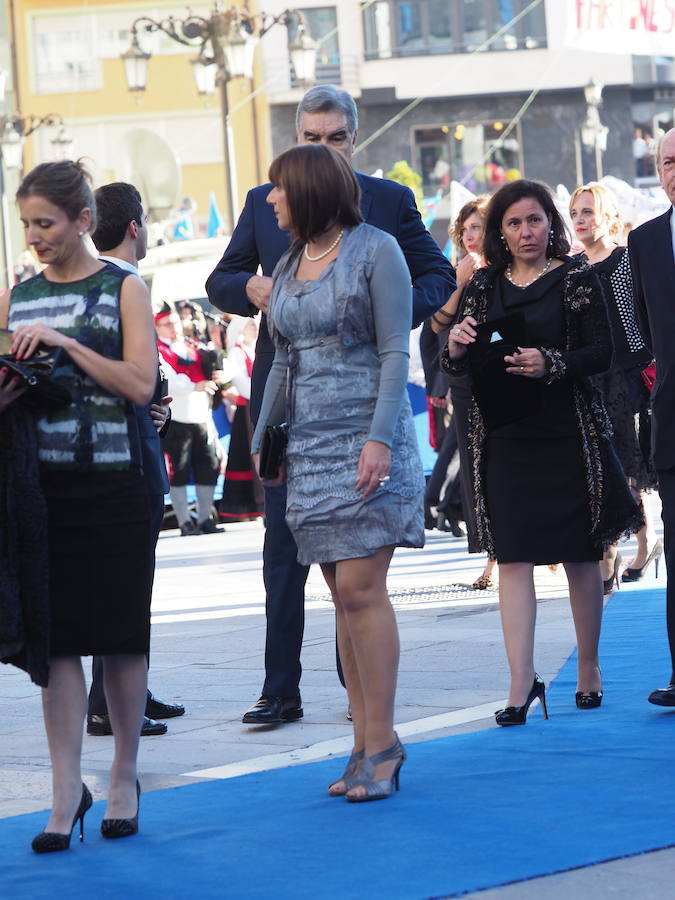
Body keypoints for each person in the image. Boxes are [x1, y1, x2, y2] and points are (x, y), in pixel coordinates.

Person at [206, 84, 454, 726]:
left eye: (333, 137)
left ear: (354, 137)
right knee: (284, 551)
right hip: (288, 402)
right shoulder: (268, 202)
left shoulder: (388, 207)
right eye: (309, 138)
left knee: (356, 578)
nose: (322, 148)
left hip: (364, 404)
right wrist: (255, 286)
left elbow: (439, 278)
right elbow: (221, 281)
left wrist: (381, 317)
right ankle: (279, 687)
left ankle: (364, 701)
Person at [252, 143, 424, 800]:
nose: (270, 200)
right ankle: (363, 744)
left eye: (279, 189)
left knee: (360, 591)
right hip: (308, 450)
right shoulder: (290, 261)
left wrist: (379, 440)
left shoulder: (376, 250)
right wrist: (264, 442)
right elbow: (284, 362)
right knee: (340, 599)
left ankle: (380, 742)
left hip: (366, 441)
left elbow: (390, 354)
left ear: (309, 191)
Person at [2, 160, 157, 850]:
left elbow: (139, 382)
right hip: (41, 493)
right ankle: (67, 788)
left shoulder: (125, 287)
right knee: (55, 644)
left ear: (83, 221)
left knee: (121, 637)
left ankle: (123, 773)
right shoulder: (17, 297)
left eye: (46, 223)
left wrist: (66, 343)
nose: (34, 237)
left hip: (120, 485)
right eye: (27, 224)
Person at [445, 179, 641, 725]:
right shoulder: (483, 284)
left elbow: (602, 351)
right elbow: (461, 364)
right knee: (513, 558)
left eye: (534, 220)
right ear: (499, 232)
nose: (525, 232)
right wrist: (457, 346)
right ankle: (519, 681)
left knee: (580, 553)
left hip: (567, 433)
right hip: (506, 437)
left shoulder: (575, 275)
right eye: (513, 223)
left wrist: (549, 362)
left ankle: (588, 669)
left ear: (548, 223)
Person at [87, 181, 186, 736]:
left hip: (124, 437)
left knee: (126, 579)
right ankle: (111, 702)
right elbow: (135, 369)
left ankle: (128, 690)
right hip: (131, 449)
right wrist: (150, 399)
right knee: (127, 581)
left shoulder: (98, 281)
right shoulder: (126, 283)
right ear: (133, 226)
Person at [569, 182, 658, 594]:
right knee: (605, 463)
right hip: (593, 375)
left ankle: (637, 542)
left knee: (628, 463)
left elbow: (642, 311)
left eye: (587, 212)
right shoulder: (572, 268)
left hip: (630, 371)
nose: (580, 221)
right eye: (575, 214)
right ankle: (621, 544)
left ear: (605, 215)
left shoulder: (627, 259)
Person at [628, 127, 675, 707]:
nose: (673, 170)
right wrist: (652, 376)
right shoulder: (643, 242)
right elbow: (628, 321)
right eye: (666, 161)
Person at [431, 197, 496, 589]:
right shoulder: (457, 271)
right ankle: (492, 557)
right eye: (466, 229)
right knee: (477, 472)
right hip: (465, 383)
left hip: (504, 377)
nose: (471, 236)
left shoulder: (508, 271)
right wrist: (459, 284)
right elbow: (438, 323)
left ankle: (515, 552)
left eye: (478, 227)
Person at [156, 306, 224, 535]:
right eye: (167, 324)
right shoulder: (157, 350)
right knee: (178, 471)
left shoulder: (193, 347)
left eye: (175, 322)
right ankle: (185, 522)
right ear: (157, 327)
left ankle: (205, 519)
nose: (174, 327)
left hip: (201, 416)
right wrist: (194, 385)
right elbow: (168, 380)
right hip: (177, 418)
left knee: (208, 467)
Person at [219, 315, 264, 521]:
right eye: (250, 325)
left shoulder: (256, 349)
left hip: (260, 406)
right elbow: (243, 386)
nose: (254, 328)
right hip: (248, 409)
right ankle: (256, 502)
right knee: (252, 454)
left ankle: (262, 501)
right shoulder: (237, 352)